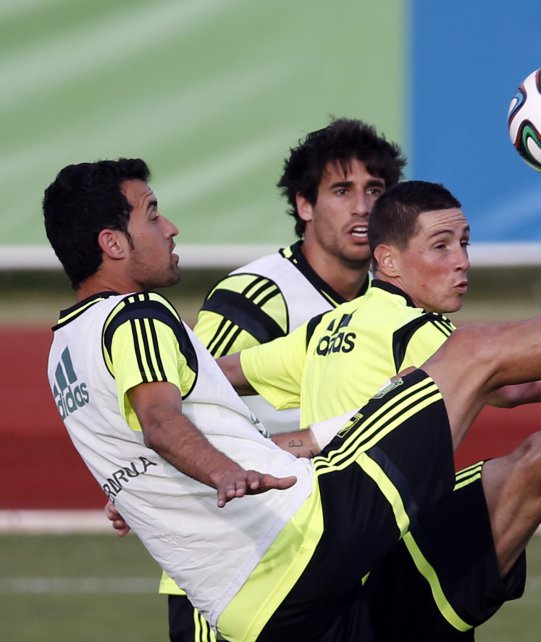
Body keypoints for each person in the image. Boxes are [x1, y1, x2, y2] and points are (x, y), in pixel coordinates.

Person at [44, 151, 541, 642]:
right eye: (150, 214)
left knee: (530, 467)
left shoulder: (62, 351)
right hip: (305, 537)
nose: (169, 225)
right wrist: (211, 468)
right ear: (112, 243)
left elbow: (191, 404)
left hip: (269, 603)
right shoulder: (135, 316)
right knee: (481, 357)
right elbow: (163, 415)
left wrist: (163, 479)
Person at [161, 117, 405, 642]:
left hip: (322, 557)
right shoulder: (258, 294)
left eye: (375, 191)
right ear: (304, 205)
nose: (363, 206)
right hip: (230, 561)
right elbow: (185, 402)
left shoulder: (388, 305)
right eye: (342, 190)